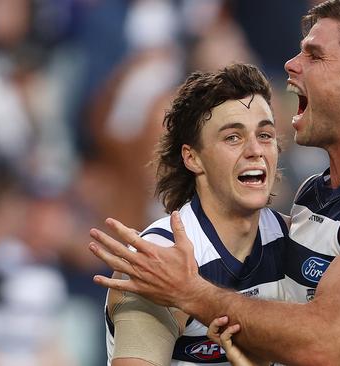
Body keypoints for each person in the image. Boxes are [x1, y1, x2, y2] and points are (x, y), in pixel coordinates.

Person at [90, 0, 340, 364]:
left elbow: (322, 344)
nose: (291, 65)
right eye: (232, 137)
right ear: (192, 157)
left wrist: (192, 293)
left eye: (314, 56)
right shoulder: (310, 200)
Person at [102, 63, 289, 365]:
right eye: (233, 137)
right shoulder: (159, 259)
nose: (255, 150)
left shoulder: (298, 240)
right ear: (193, 158)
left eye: (265, 135)